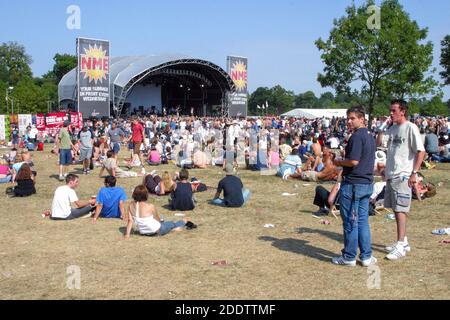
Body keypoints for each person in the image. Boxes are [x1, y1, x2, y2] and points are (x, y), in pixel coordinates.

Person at [377, 99, 426, 260]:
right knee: (394, 208)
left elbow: (420, 151)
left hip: (403, 175)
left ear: (402, 111)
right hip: (391, 174)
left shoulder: (410, 127)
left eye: (393, 110)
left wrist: (414, 172)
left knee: (400, 210)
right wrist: (381, 128)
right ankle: (403, 241)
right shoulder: (391, 129)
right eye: (390, 110)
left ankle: (400, 245)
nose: (390, 113)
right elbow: (380, 145)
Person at [331, 106, 377, 267]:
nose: (349, 121)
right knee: (362, 221)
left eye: (352, 118)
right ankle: (366, 256)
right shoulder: (370, 135)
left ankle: (349, 256)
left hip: (354, 184)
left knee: (351, 222)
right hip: (365, 183)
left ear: (362, 119)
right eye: (348, 118)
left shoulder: (357, 136)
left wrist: (337, 161)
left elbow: (354, 162)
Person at [124, 185, 197, 238]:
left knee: (165, 223)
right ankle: (183, 222)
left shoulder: (130, 206)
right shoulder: (150, 206)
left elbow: (130, 221)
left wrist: (127, 235)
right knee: (171, 223)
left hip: (143, 232)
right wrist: (162, 222)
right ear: (145, 195)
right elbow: (157, 220)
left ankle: (173, 228)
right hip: (157, 231)